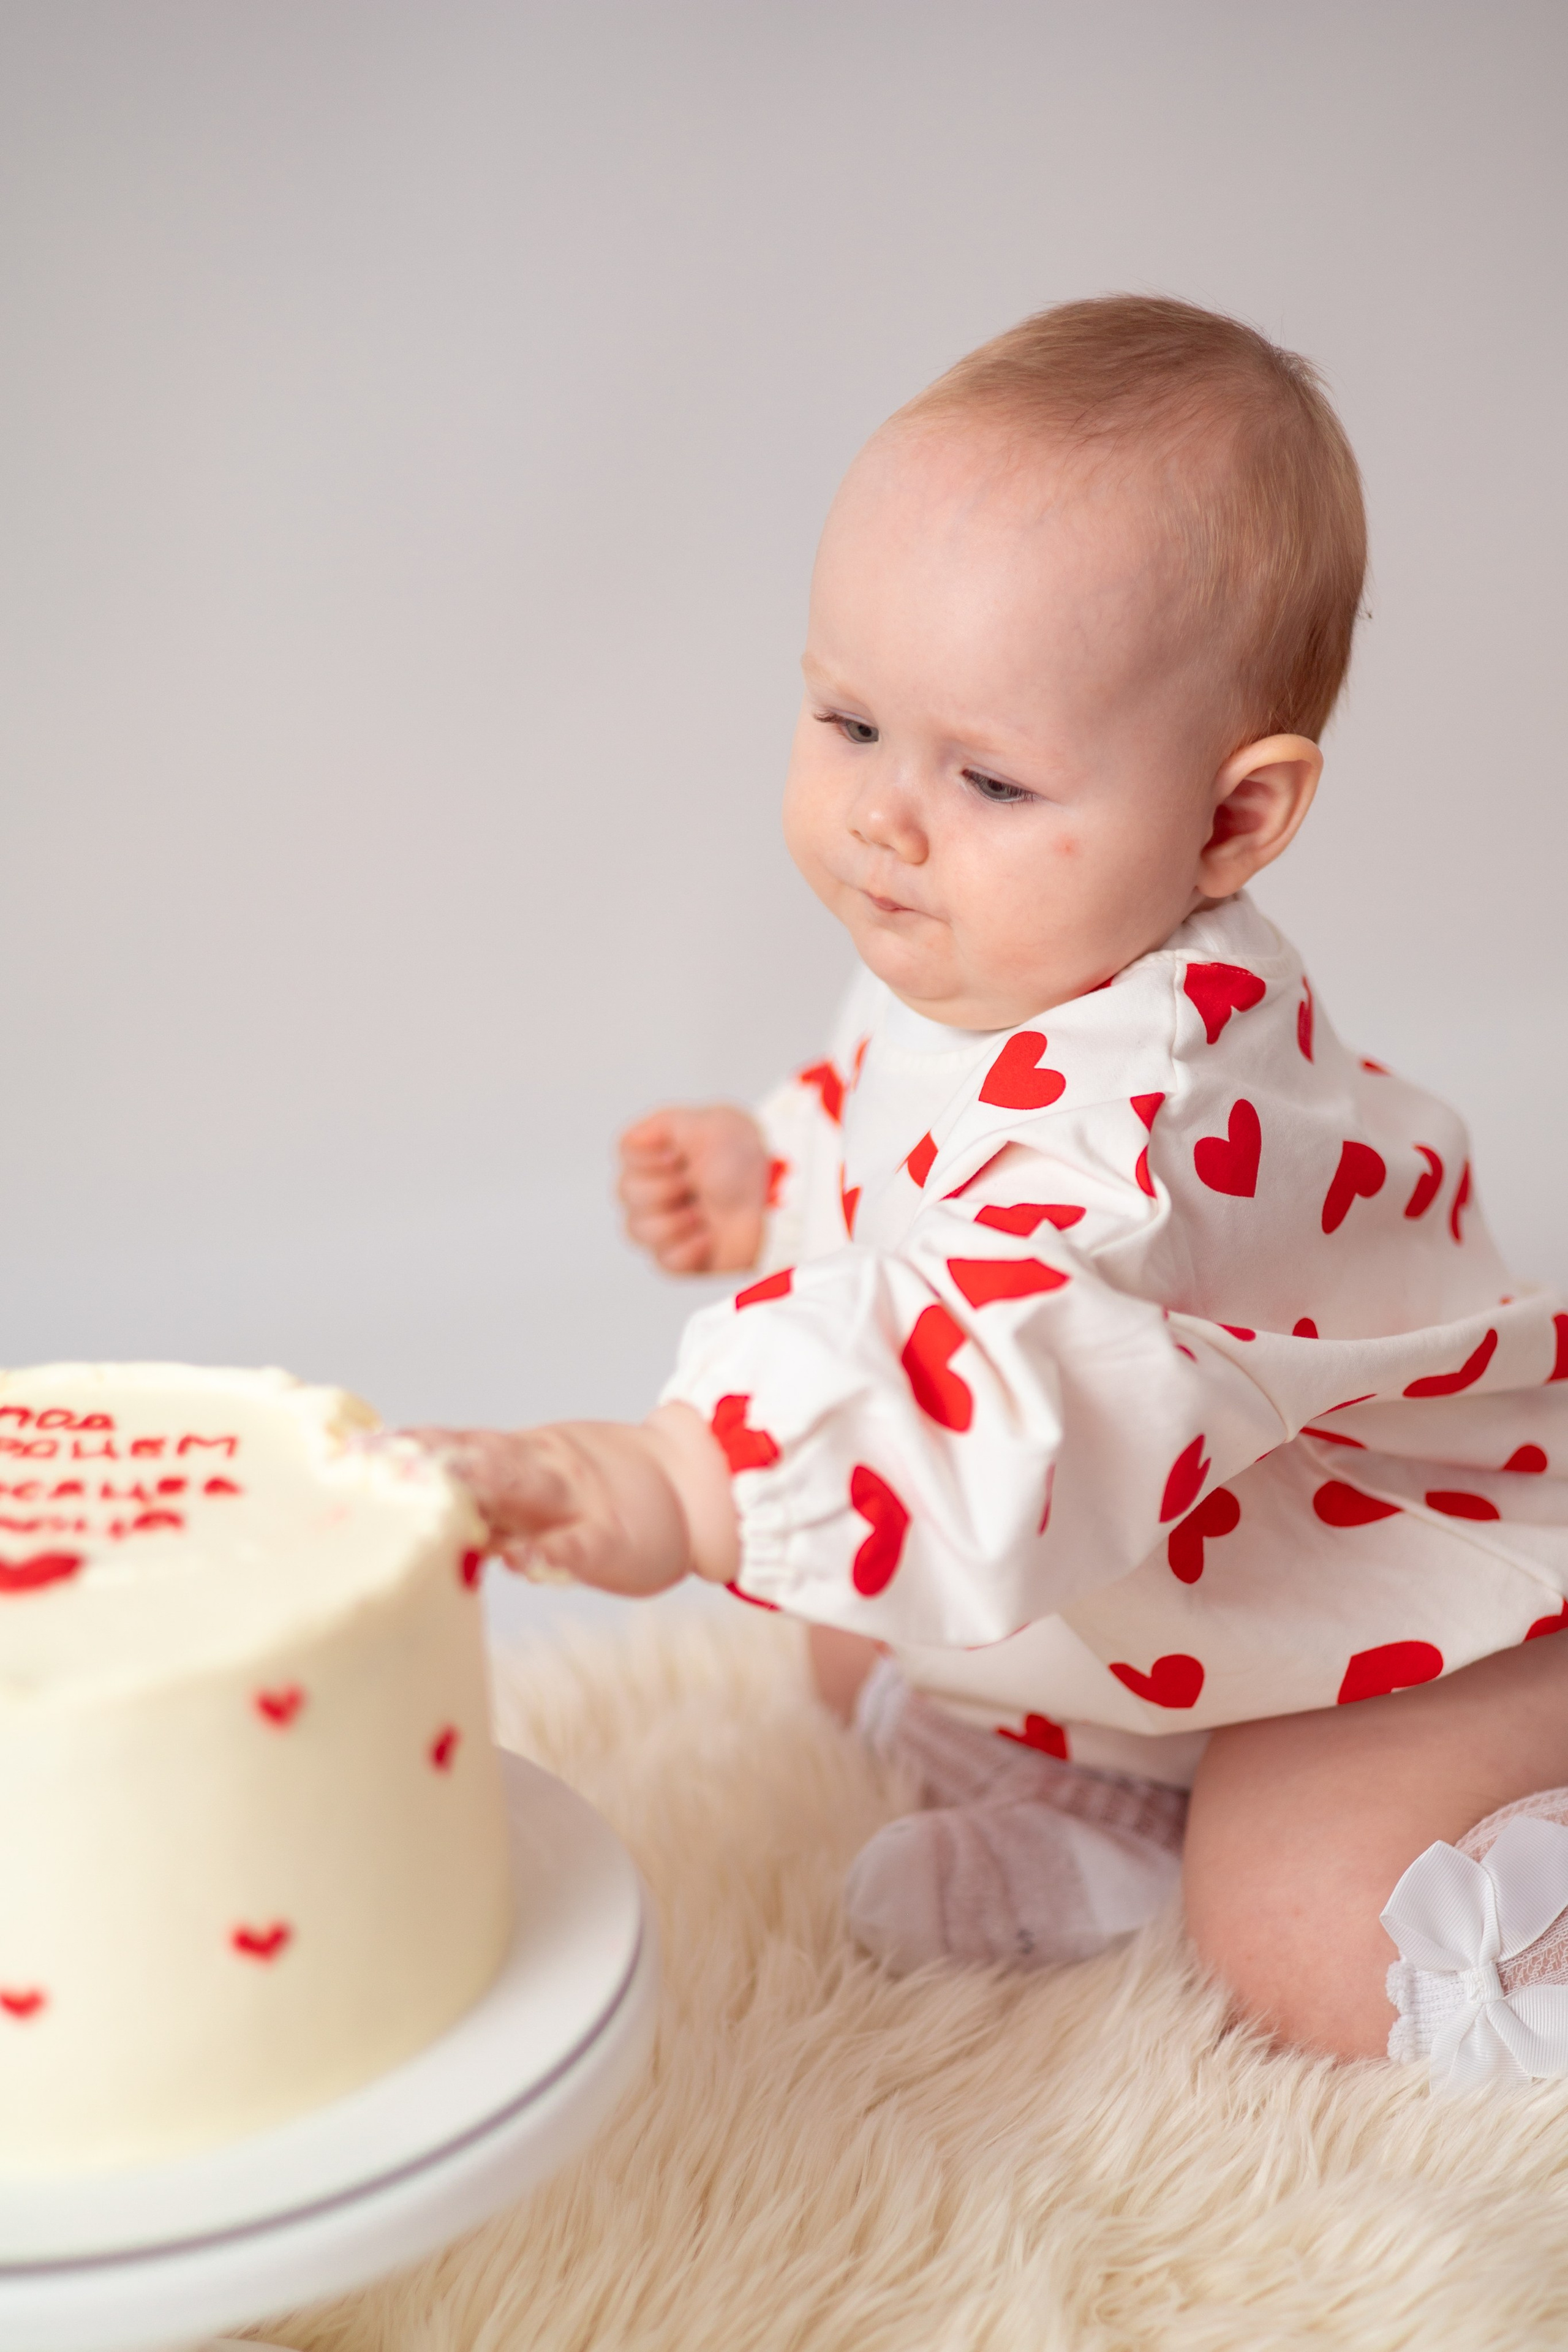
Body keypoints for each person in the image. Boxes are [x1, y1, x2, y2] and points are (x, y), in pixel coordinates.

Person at [418, 298, 1568, 2092]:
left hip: (1395, 1595)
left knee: (1303, 1926)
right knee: (841, 1630)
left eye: (990, 775)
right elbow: (928, 1154)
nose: (888, 816)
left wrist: (683, 1479)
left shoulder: (1156, 1111)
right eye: (849, 719)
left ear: (1229, 824)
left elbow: (1009, 1350)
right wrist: (784, 1173)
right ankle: (1110, 1803)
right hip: (1165, 1545)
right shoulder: (995, 941)